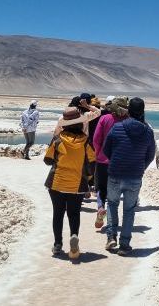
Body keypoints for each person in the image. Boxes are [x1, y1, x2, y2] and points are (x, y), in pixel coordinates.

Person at [103, 97, 156, 256]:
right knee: (129, 209)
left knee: (112, 203)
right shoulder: (148, 132)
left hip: (115, 174)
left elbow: (107, 149)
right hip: (134, 176)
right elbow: (150, 155)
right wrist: (141, 167)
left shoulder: (117, 127)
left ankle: (111, 236)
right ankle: (125, 245)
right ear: (143, 111)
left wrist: (116, 161)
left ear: (129, 111)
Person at [44, 109, 96, 260]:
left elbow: (47, 160)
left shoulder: (57, 139)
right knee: (74, 213)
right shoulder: (86, 141)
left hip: (57, 182)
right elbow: (92, 162)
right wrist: (88, 177)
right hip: (77, 184)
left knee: (58, 213)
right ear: (80, 124)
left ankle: (57, 244)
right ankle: (74, 237)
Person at [92, 97, 129, 230]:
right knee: (115, 191)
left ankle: (100, 207)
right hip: (120, 162)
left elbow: (96, 140)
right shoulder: (128, 121)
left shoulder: (104, 118)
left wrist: (98, 154)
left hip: (102, 160)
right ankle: (112, 220)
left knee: (101, 188)